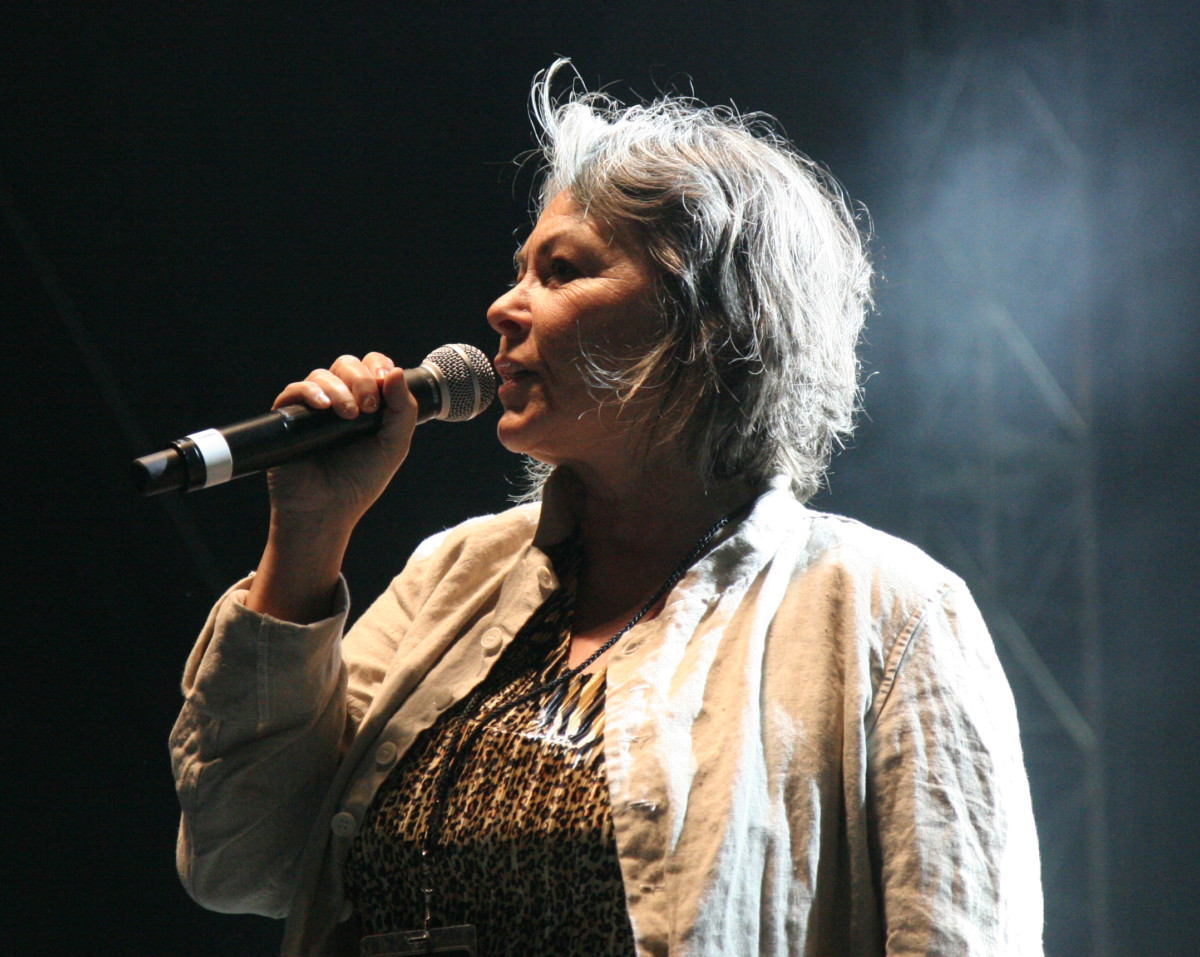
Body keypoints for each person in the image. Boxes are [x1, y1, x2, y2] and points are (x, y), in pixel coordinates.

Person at [170, 61, 1044, 956]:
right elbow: (242, 860)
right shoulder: (455, 575)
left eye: (562, 271)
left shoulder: (884, 615)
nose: (504, 306)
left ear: (708, 324)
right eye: (520, 269)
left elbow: (959, 934)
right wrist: (309, 535)